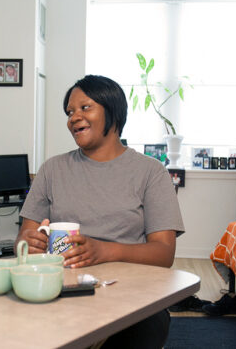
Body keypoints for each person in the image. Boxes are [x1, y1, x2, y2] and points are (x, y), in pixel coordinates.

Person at [17, 75, 184, 349]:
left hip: (129, 293)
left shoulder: (151, 172)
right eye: (70, 112)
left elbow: (164, 253)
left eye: (85, 108)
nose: (73, 117)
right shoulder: (52, 169)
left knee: (146, 325)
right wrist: (28, 243)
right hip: (60, 290)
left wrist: (104, 251)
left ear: (113, 112)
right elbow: (24, 236)